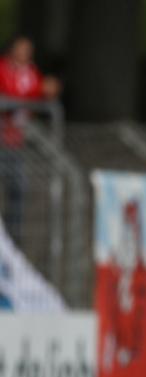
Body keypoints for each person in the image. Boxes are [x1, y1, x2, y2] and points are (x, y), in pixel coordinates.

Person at [0, 35, 61, 245]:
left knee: (18, 189)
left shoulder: (32, 73)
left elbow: (39, 93)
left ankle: (12, 240)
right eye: (21, 48)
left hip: (15, 141)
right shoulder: (3, 70)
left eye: (28, 50)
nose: (24, 53)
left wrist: (48, 91)